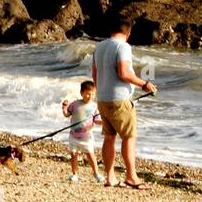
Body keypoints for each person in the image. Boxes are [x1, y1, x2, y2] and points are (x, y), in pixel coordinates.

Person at [91, 24, 157, 188]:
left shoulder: (99, 47)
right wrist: (145, 84)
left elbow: (95, 74)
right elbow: (124, 73)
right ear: (128, 33)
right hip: (119, 100)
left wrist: (101, 92)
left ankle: (110, 177)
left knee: (109, 138)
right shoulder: (123, 46)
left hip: (103, 98)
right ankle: (131, 176)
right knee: (129, 136)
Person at [60, 81, 103, 182]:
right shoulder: (75, 104)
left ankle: (96, 174)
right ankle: (74, 174)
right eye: (88, 93)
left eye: (93, 94)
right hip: (73, 136)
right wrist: (64, 108)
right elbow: (67, 114)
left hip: (87, 137)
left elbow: (97, 120)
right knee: (74, 155)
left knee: (90, 155)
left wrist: (105, 121)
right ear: (81, 93)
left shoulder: (95, 106)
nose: (90, 96)